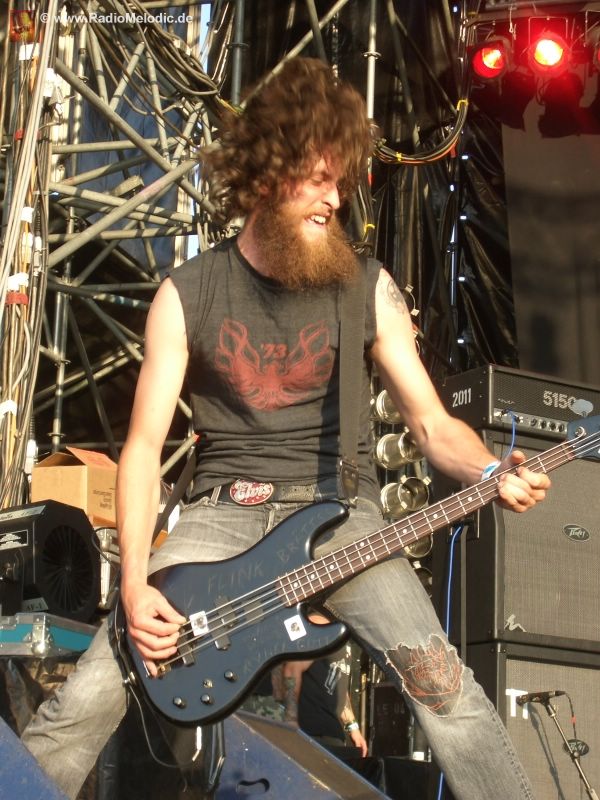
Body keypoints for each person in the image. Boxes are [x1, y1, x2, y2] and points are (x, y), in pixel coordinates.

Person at [21, 56, 550, 800]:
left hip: (341, 516)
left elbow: (432, 424)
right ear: (267, 177)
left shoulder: (367, 288)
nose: (335, 199)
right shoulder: (186, 293)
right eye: (319, 180)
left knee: (445, 689)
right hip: (221, 514)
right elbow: (140, 451)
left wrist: (492, 471)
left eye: (341, 182)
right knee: (91, 691)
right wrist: (134, 584)